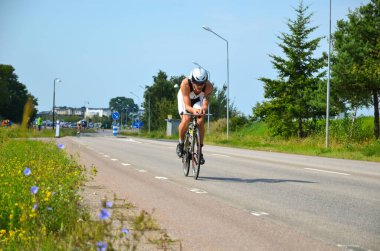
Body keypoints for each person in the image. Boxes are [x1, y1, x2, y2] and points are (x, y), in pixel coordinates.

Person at [176, 67, 213, 165]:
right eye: (197, 83)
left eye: (202, 83)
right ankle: (180, 144)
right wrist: (193, 110)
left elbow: (205, 103)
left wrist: (203, 110)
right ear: (192, 81)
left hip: (198, 99)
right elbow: (187, 106)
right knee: (186, 118)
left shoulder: (208, 86)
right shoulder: (185, 84)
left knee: (200, 121)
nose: (200, 86)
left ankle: (199, 151)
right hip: (185, 98)